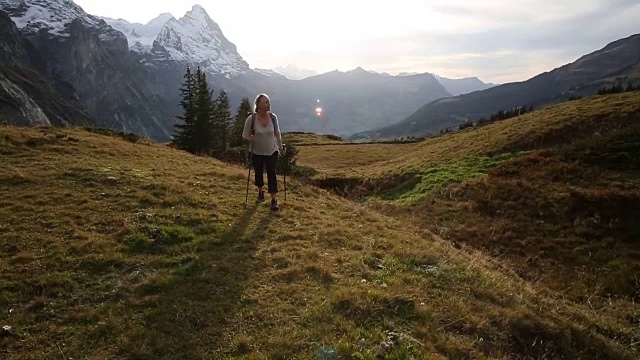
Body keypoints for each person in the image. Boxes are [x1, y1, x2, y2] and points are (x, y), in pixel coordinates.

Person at [243, 93, 285, 210]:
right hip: (256, 151)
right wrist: (248, 138)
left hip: (272, 150)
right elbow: (244, 135)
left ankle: (274, 199)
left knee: (272, 173)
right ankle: (261, 190)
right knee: (259, 173)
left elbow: (277, 133)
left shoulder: (273, 117)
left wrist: (281, 148)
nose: (269, 104)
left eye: (269, 102)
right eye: (266, 102)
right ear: (259, 105)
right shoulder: (251, 119)